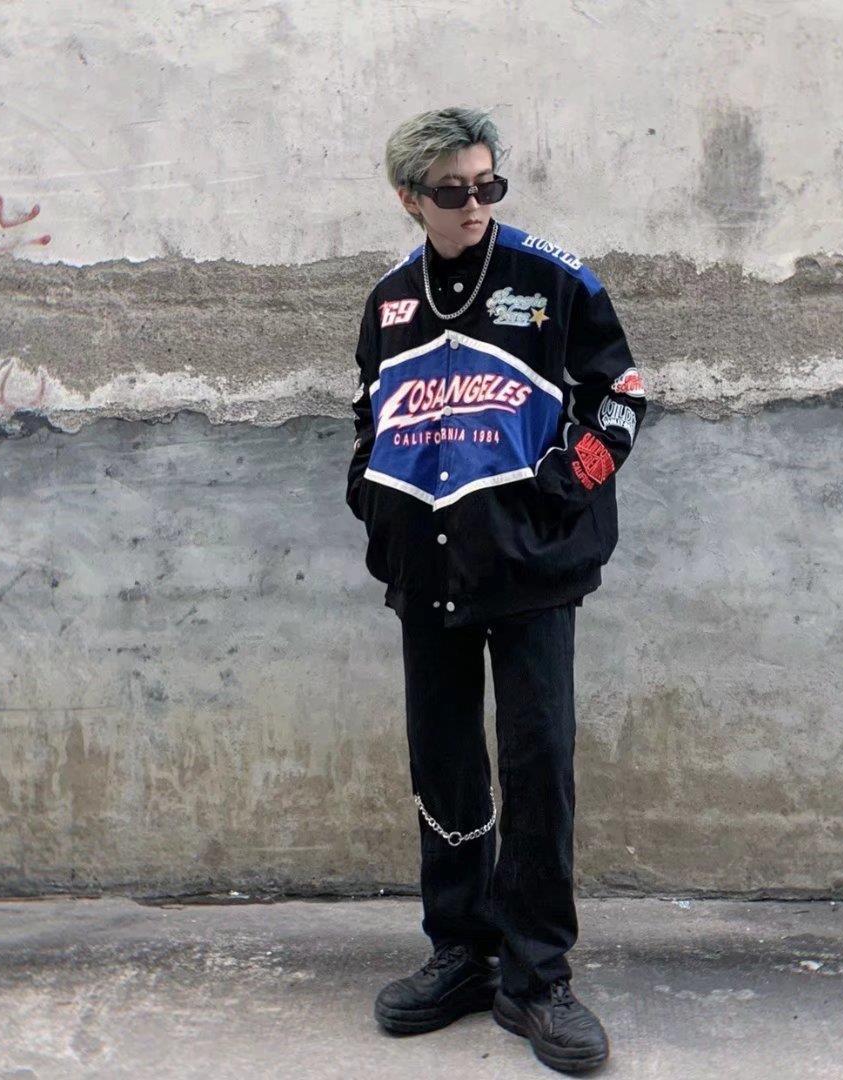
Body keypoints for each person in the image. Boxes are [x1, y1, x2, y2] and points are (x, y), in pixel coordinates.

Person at [346, 105, 646, 1074]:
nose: (474, 205)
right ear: (410, 198)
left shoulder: (553, 280)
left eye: (488, 186)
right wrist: (370, 499)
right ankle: (461, 954)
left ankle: (537, 977)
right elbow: (369, 414)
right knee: (443, 765)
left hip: (532, 571)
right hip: (427, 571)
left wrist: (565, 487)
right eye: (453, 191)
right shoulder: (389, 301)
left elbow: (623, 395)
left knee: (537, 764)